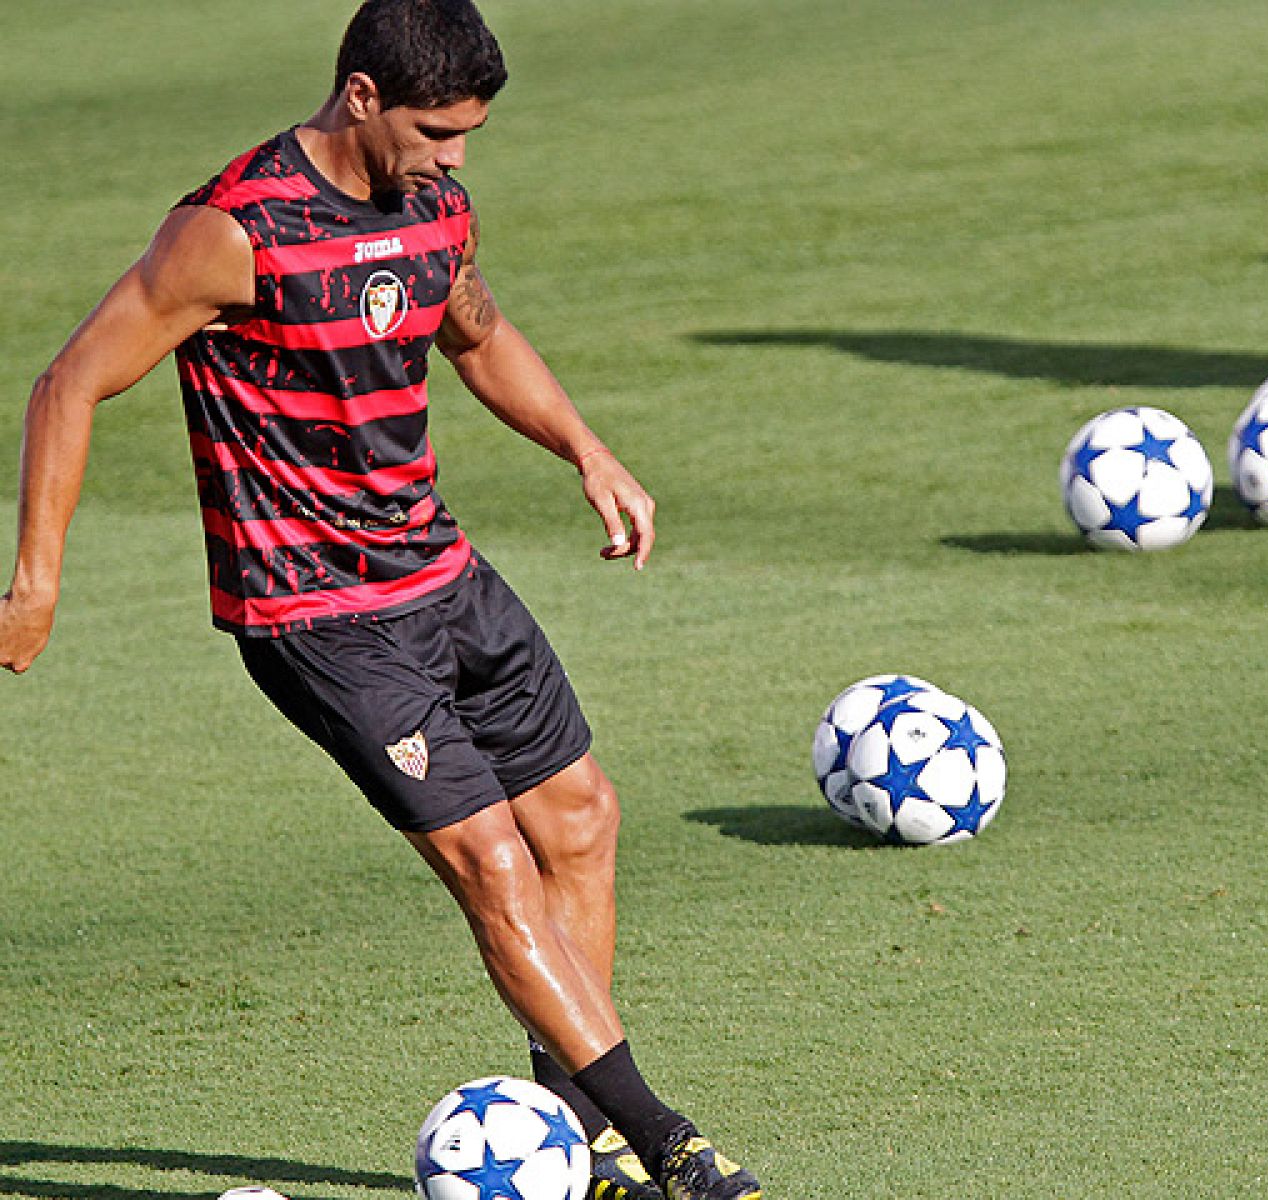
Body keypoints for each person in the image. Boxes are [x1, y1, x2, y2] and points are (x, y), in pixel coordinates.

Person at [0, 3, 762, 1199]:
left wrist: (586, 449)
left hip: (440, 573)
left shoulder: (433, 204)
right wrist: (35, 582)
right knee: (492, 865)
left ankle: (564, 1124)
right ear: (360, 96)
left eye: (469, 133)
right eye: (437, 129)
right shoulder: (232, 231)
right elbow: (68, 384)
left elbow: (477, 335)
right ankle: (658, 1142)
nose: (457, 154)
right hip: (313, 612)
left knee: (581, 821)